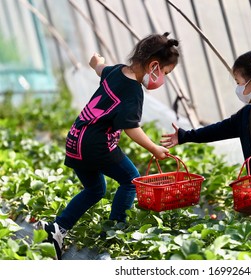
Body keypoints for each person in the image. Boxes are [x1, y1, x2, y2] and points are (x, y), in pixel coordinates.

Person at [36, 32, 180, 259]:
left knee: (95, 190)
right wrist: (154, 148)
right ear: (154, 66)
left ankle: (57, 230)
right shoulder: (133, 91)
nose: (163, 79)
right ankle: (116, 232)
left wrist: (97, 62)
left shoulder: (116, 70)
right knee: (130, 180)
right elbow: (132, 127)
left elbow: (100, 69)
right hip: (97, 144)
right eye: (165, 73)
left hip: (76, 139)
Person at [161, 49, 251, 236]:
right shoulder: (247, 112)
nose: (237, 88)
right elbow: (220, 129)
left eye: (238, 82)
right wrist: (184, 136)